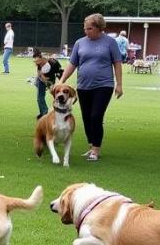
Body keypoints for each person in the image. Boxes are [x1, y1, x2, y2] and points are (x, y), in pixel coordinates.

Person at [60, 13, 123, 162]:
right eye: (85, 28)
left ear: (99, 28)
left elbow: (117, 63)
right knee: (87, 117)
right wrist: (62, 80)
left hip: (103, 85)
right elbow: (73, 64)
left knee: (96, 116)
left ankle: (96, 148)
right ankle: (90, 146)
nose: (86, 31)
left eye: (89, 28)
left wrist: (119, 84)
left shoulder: (110, 42)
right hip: (83, 86)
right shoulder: (79, 43)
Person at [32, 49, 62, 118]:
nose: (35, 62)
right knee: (40, 98)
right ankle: (44, 113)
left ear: (41, 58)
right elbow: (39, 74)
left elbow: (59, 73)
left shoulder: (53, 63)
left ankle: (60, 110)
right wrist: (44, 80)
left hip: (51, 80)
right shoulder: (39, 63)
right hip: (41, 81)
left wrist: (53, 84)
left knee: (54, 94)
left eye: (36, 60)